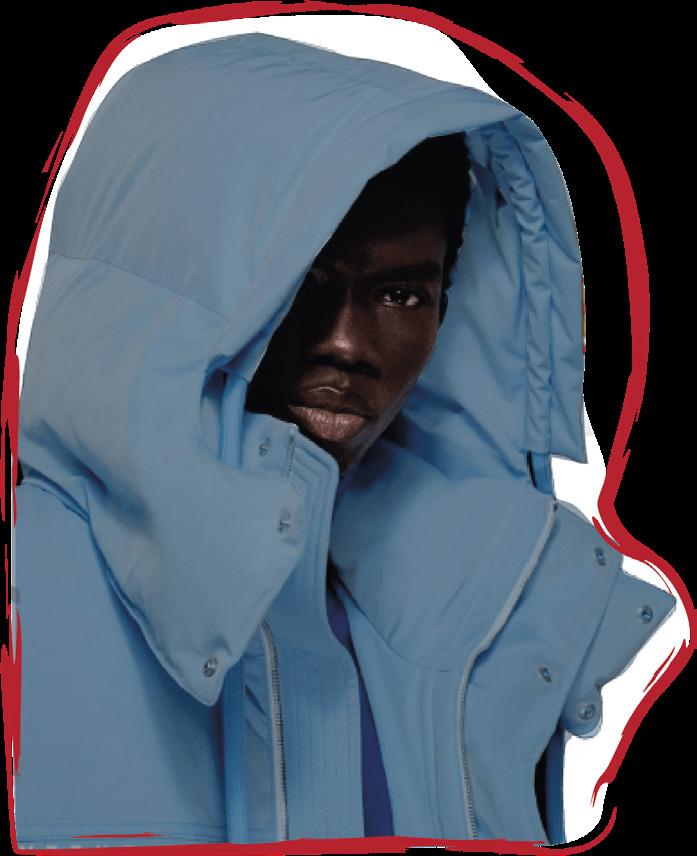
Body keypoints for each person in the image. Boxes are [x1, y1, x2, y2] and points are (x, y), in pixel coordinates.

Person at [11, 32, 676, 848]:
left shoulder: (487, 607)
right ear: (177, 298)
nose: (347, 345)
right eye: (299, 286)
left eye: (400, 295)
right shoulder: (25, 599)